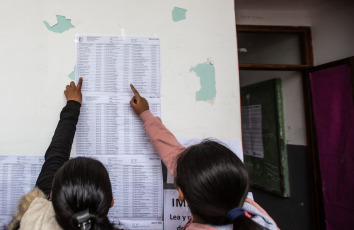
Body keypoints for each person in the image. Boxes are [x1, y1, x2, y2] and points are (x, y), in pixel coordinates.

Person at [129, 84, 278, 230]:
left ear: (181, 194)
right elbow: (177, 156)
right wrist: (146, 115)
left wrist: (146, 115)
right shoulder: (253, 216)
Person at [8, 78, 120, 230]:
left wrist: (73, 105)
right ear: (111, 202)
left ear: (51, 195)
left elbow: (56, 155)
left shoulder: (35, 216)